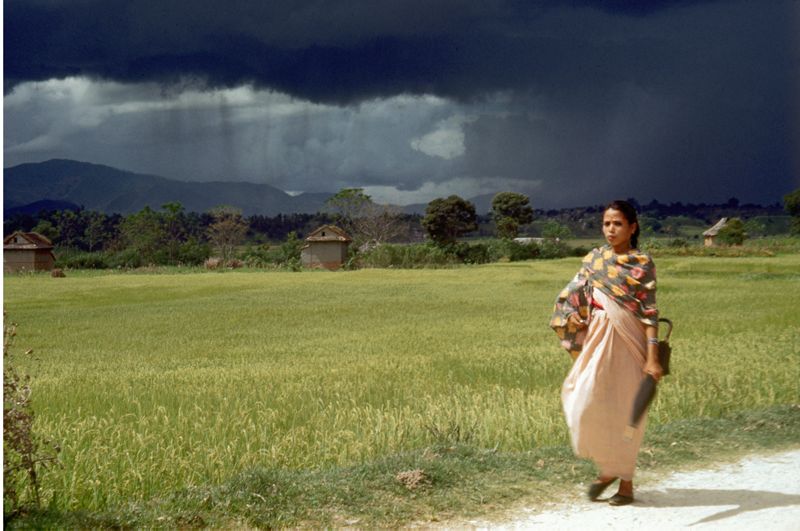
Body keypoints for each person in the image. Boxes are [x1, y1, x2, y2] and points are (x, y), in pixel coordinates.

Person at [549, 200, 661, 506]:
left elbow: (649, 312)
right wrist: (573, 315)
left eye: (618, 224)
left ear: (632, 227)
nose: (610, 229)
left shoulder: (642, 263)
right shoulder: (594, 259)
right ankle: (608, 469)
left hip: (630, 341)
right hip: (598, 336)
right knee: (581, 398)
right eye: (606, 223)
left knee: (627, 411)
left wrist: (652, 357)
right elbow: (574, 294)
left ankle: (625, 483)